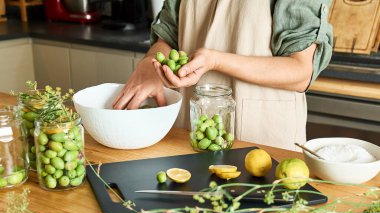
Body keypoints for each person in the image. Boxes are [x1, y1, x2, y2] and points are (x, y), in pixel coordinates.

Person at [113, 0, 333, 151]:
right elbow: (168, 39)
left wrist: (216, 61)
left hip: (262, 140)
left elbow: (300, 71)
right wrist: (150, 64)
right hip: (187, 133)